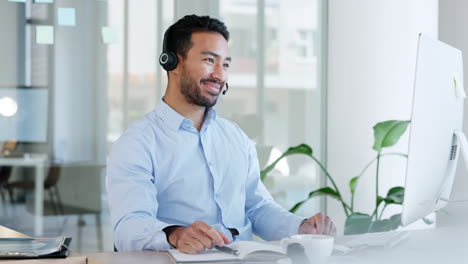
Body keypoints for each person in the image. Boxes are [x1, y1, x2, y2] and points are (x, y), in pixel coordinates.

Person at [107, 14, 336, 254]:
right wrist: (176, 234)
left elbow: (256, 208)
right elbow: (128, 228)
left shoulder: (234, 137)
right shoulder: (137, 143)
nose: (219, 74)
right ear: (172, 62)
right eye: (209, 60)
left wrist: (301, 227)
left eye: (225, 64)